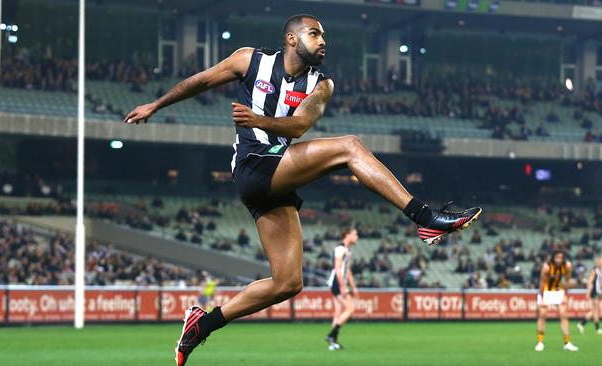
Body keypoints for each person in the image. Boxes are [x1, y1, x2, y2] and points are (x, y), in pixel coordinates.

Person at [124, 14, 482, 366]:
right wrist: (155, 105)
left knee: (288, 282)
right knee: (350, 146)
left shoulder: (321, 84)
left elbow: (298, 126)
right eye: (315, 33)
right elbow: (201, 81)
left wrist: (259, 120)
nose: (323, 40)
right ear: (292, 39)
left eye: (324, 35)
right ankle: (424, 218)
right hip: (253, 165)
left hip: (277, 173)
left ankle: (203, 324)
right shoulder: (251, 59)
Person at [535, 250, 579, 352]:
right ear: (553, 258)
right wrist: (541, 297)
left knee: (564, 315)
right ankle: (540, 342)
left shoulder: (567, 265)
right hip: (546, 290)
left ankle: (567, 343)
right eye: (557, 257)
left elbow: (567, 280)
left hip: (558, 290)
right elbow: (542, 282)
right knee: (542, 315)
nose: (559, 260)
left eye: (561, 257)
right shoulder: (547, 267)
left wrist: (565, 293)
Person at [325, 228, 359, 350]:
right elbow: (338, 268)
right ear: (347, 235)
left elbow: (347, 271)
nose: (357, 237)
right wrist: (343, 286)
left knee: (338, 312)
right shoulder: (340, 249)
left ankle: (333, 343)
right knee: (350, 309)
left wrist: (354, 287)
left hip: (338, 283)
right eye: (355, 234)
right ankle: (331, 335)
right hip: (337, 283)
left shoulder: (347, 250)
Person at [577, 257, 602, 335]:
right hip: (594, 292)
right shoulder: (595, 271)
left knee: (594, 310)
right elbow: (589, 281)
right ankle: (595, 328)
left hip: (597, 292)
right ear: (598, 262)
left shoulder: (601, 271)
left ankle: (582, 324)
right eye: (601, 261)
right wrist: (588, 292)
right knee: (595, 310)